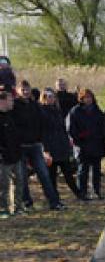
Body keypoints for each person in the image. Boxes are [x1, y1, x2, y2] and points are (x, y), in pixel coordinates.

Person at [14, 80, 65, 210]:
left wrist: (43, 144)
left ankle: (54, 202)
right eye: (23, 90)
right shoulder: (14, 106)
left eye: (27, 89)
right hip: (21, 146)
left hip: (36, 145)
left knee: (44, 174)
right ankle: (27, 202)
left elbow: (42, 124)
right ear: (18, 91)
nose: (26, 92)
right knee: (22, 177)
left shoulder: (35, 105)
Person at [39, 88, 82, 200]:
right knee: (52, 175)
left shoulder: (58, 111)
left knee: (68, 173)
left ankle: (79, 194)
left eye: (52, 96)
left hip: (61, 145)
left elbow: (63, 129)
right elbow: (42, 132)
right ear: (44, 98)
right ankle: (54, 197)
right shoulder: (41, 112)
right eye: (48, 97)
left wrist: (67, 143)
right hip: (50, 147)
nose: (50, 99)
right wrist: (45, 149)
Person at [68, 89, 105, 200]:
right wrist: (79, 138)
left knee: (96, 170)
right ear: (81, 99)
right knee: (82, 170)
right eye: (86, 97)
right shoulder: (75, 111)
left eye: (90, 97)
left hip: (96, 144)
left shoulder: (97, 111)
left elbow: (102, 127)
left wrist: (102, 140)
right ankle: (82, 192)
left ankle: (96, 191)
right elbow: (71, 129)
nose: (88, 99)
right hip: (82, 145)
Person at [0, 88, 24, 218]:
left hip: (16, 156)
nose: (12, 102)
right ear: (2, 101)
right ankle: (4, 209)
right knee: (4, 185)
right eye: (10, 100)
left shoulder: (11, 116)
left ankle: (18, 207)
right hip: (4, 158)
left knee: (20, 181)